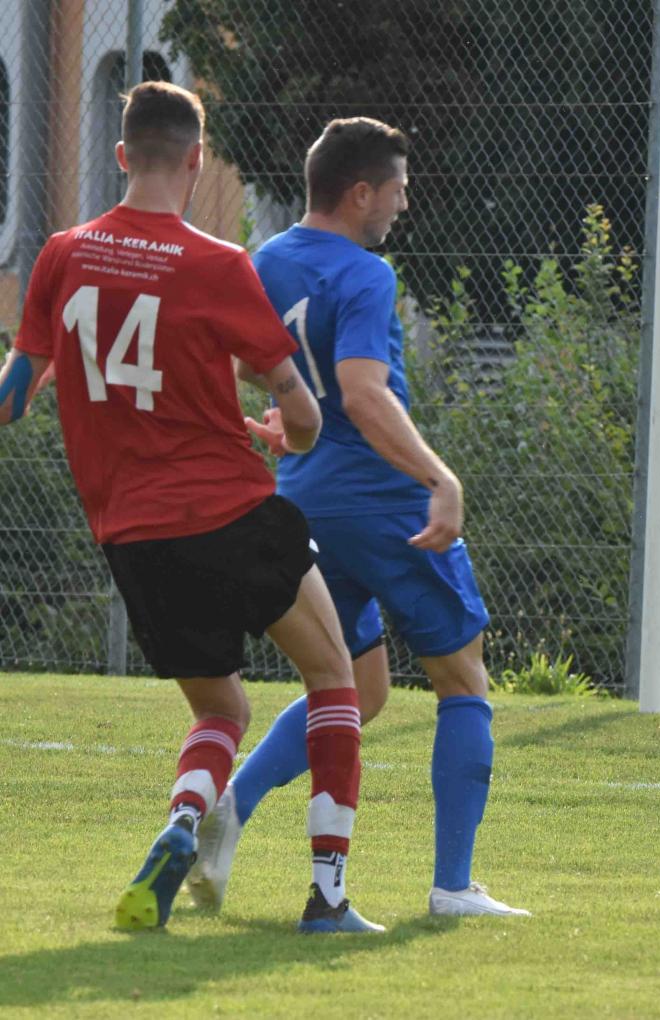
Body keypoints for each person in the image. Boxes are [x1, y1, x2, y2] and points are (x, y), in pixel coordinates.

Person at [0, 81, 381, 932]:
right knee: (335, 680)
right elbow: (310, 418)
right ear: (199, 159)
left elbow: (16, 393)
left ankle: (181, 822)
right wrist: (285, 431)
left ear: (123, 155)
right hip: (233, 511)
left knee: (221, 711)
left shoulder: (62, 254)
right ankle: (327, 897)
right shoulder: (217, 266)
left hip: (134, 537)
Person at [185, 116, 527, 918]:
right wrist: (439, 476)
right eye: (398, 189)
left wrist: (282, 423)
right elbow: (366, 395)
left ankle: (232, 803)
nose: (404, 204)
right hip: (383, 500)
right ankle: (452, 888)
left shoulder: (266, 261)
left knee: (356, 688)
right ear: (361, 191)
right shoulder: (367, 275)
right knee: (461, 677)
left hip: (303, 497)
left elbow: (245, 367)